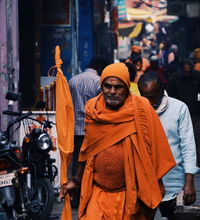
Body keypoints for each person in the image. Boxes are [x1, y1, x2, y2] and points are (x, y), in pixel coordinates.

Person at [62, 62, 176, 220]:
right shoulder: (93, 109)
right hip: (98, 192)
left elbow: (155, 151)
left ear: (127, 87)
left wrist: (151, 186)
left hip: (130, 193)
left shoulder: (141, 108)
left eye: (118, 87)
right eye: (107, 86)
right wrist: (76, 180)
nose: (112, 91)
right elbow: (87, 149)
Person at [138, 72, 198, 220]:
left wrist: (189, 182)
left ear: (162, 89)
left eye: (152, 97)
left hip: (174, 184)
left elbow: (188, 146)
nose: (149, 102)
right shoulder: (136, 109)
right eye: (144, 97)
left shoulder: (179, 108)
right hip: (143, 185)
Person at [68, 55, 110, 208]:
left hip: (73, 128)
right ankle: (87, 196)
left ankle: (75, 198)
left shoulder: (73, 80)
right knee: (91, 163)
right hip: (91, 129)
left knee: (76, 162)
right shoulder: (98, 83)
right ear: (100, 68)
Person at [167, 58, 200, 166]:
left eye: (189, 71)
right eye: (185, 71)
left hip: (195, 113)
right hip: (179, 114)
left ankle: (196, 162)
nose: (187, 73)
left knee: (196, 138)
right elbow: (169, 95)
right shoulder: (175, 78)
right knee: (181, 138)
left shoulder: (197, 76)